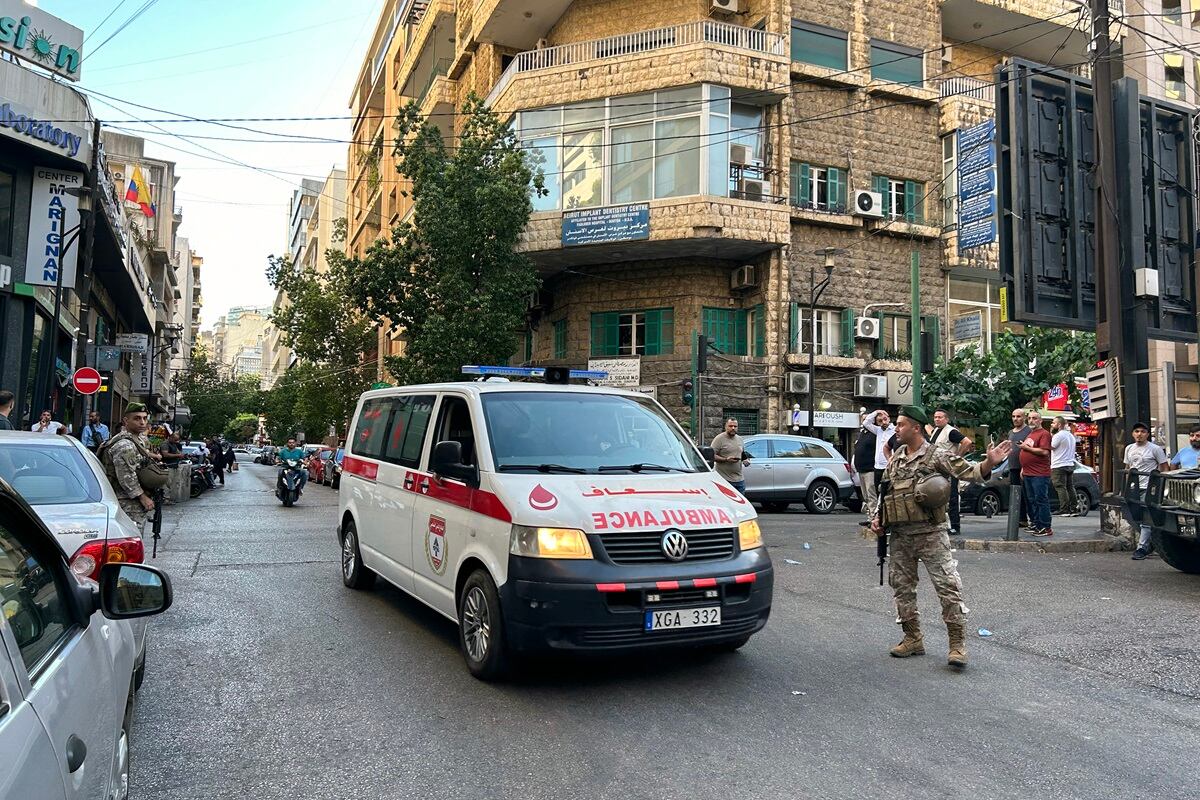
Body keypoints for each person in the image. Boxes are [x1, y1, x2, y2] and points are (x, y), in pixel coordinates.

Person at [869, 405, 1011, 669]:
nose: (896, 429)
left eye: (900, 424)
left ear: (915, 427)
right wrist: (877, 518)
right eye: (896, 424)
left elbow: (969, 472)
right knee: (901, 588)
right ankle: (912, 638)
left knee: (947, 587)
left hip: (930, 533)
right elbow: (885, 490)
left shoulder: (937, 454)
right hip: (900, 534)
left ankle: (957, 645)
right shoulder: (898, 455)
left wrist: (990, 462)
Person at [100, 403, 161, 532]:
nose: (142, 422)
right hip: (126, 500)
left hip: (131, 499)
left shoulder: (137, 439)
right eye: (137, 418)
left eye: (145, 418)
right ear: (126, 421)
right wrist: (142, 497)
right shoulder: (124, 444)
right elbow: (126, 476)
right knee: (132, 536)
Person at [1125, 422, 1169, 560]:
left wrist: (1161, 486)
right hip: (1134, 488)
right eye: (1137, 431)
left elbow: (1164, 467)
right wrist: (1126, 486)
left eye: (1143, 431)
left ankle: (1142, 548)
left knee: (1146, 518)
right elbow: (1128, 467)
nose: (1139, 434)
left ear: (1147, 434)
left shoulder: (1155, 449)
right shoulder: (1129, 448)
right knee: (1135, 516)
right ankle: (1150, 543)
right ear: (1133, 434)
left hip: (1149, 488)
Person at [930, 409, 974, 537]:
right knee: (939, 498)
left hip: (949, 469)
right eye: (935, 417)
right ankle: (942, 524)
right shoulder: (936, 431)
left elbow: (967, 442)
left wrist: (957, 457)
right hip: (938, 469)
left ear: (946, 419)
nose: (937, 419)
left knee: (952, 497)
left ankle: (955, 526)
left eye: (940, 417)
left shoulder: (951, 431)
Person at [1020, 410, 1053, 537]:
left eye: (1034, 418)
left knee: (1041, 500)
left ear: (1040, 421)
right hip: (1028, 472)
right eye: (1029, 418)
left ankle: (1045, 527)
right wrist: (1023, 468)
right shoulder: (1031, 434)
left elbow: (1045, 452)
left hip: (1039, 474)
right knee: (1032, 500)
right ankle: (1036, 523)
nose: (1031, 421)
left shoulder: (1044, 434)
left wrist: (1026, 448)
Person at [1050, 416, 1079, 517]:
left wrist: (1051, 435)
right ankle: (1074, 508)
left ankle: (1064, 509)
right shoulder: (1070, 435)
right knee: (1070, 487)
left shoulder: (1058, 435)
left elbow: (1051, 447)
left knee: (1060, 487)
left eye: (1053, 423)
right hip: (1070, 463)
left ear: (1059, 425)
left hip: (1059, 464)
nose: (1051, 425)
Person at [710, 418, 749, 494]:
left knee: (740, 505)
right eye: (730, 426)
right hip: (724, 480)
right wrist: (726, 459)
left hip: (739, 480)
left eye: (735, 426)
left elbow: (741, 452)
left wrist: (745, 460)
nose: (733, 428)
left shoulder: (740, 439)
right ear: (725, 427)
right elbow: (711, 456)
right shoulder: (719, 439)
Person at [1008, 409, 1033, 527]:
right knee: (1016, 494)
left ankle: (1033, 520)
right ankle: (1021, 519)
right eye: (1013, 416)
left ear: (1024, 417)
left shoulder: (1029, 431)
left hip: (1025, 467)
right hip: (1013, 467)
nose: (1015, 419)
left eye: (1018, 416)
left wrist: (1025, 466)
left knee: (1027, 494)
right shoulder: (1011, 432)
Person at [861, 409, 895, 489]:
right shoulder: (878, 430)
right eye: (880, 421)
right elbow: (866, 423)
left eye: (885, 419)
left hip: (889, 466)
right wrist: (877, 411)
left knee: (889, 490)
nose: (883, 422)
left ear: (889, 418)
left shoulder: (895, 430)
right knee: (878, 490)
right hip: (878, 467)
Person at [853, 421, 878, 525]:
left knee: (871, 493)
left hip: (870, 468)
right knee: (866, 495)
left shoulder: (876, 433)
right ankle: (869, 516)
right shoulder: (863, 433)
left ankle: (873, 518)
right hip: (861, 469)